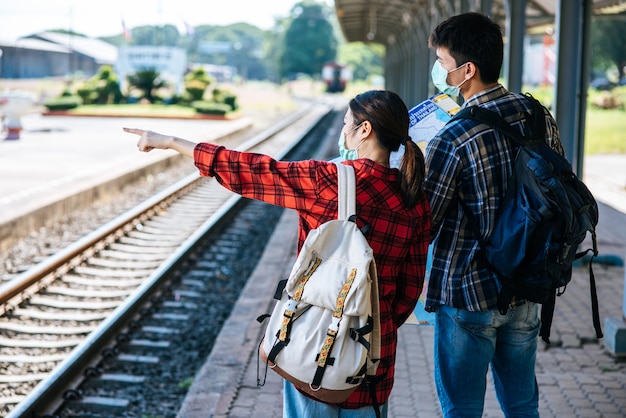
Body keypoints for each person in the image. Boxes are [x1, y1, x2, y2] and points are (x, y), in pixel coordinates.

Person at [124, 89, 431, 418]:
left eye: (347, 124)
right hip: (373, 362)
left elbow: (250, 169)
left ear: (365, 129)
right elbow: (408, 291)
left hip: (314, 350)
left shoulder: (327, 180)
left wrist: (170, 141)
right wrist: (375, 322)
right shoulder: (414, 200)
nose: (344, 131)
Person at [423, 12, 565, 418]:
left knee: (463, 409)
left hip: (469, 294)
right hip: (527, 285)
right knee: (522, 404)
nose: (439, 69)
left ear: (466, 71)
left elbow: (426, 222)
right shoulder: (538, 115)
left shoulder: (451, 136)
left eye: (443, 62)